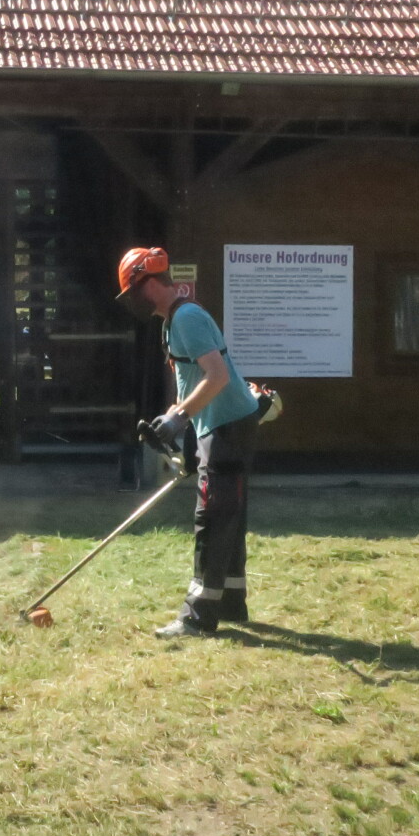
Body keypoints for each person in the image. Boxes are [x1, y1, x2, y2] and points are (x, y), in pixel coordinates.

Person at [117, 246, 262, 637]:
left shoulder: (187, 318)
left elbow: (217, 377)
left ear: (150, 283)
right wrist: (171, 416)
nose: (133, 302)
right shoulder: (173, 321)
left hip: (228, 426)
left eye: (133, 292)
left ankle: (197, 618)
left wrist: (180, 418)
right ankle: (229, 603)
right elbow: (194, 380)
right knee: (228, 516)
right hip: (223, 424)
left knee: (212, 518)